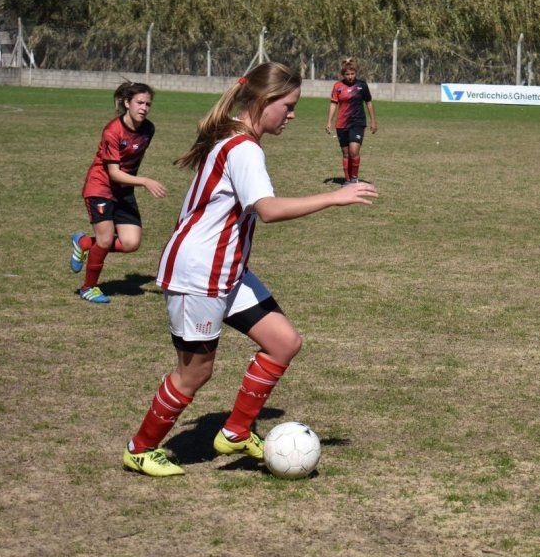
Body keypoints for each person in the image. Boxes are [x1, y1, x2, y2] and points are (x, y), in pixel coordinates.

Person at [123, 62, 378, 477]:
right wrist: (335, 198)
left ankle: (237, 431)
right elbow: (269, 210)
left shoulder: (236, 139)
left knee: (283, 342)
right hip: (199, 273)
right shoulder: (243, 148)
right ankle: (140, 448)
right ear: (264, 101)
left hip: (227, 269)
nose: (293, 115)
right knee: (195, 373)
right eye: (289, 106)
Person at [69, 82, 167, 303]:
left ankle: (84, 243)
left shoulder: (148, 129)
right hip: (100, 187)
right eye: (139, 102)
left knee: (131, 243)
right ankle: (88, 288)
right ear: (127, 103)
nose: (144, 107)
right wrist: (145, 181)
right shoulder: (112, 130)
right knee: (104, 241)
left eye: (148, 104)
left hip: (123, 191)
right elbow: (113, 172)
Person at [326, 58, 377, 184]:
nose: (350, 77)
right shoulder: (337, 86)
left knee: (354, 151)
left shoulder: (362, 86)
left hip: (358, 123)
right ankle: (347, 180)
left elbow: (369, 103)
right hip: (342, 123)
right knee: (346, 154)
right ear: (343, 75)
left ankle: (354, 178)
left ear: (356, 73)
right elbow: (333, 104)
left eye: (352, 74)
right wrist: (329, 122)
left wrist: (373, 121)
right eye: (347, 74)